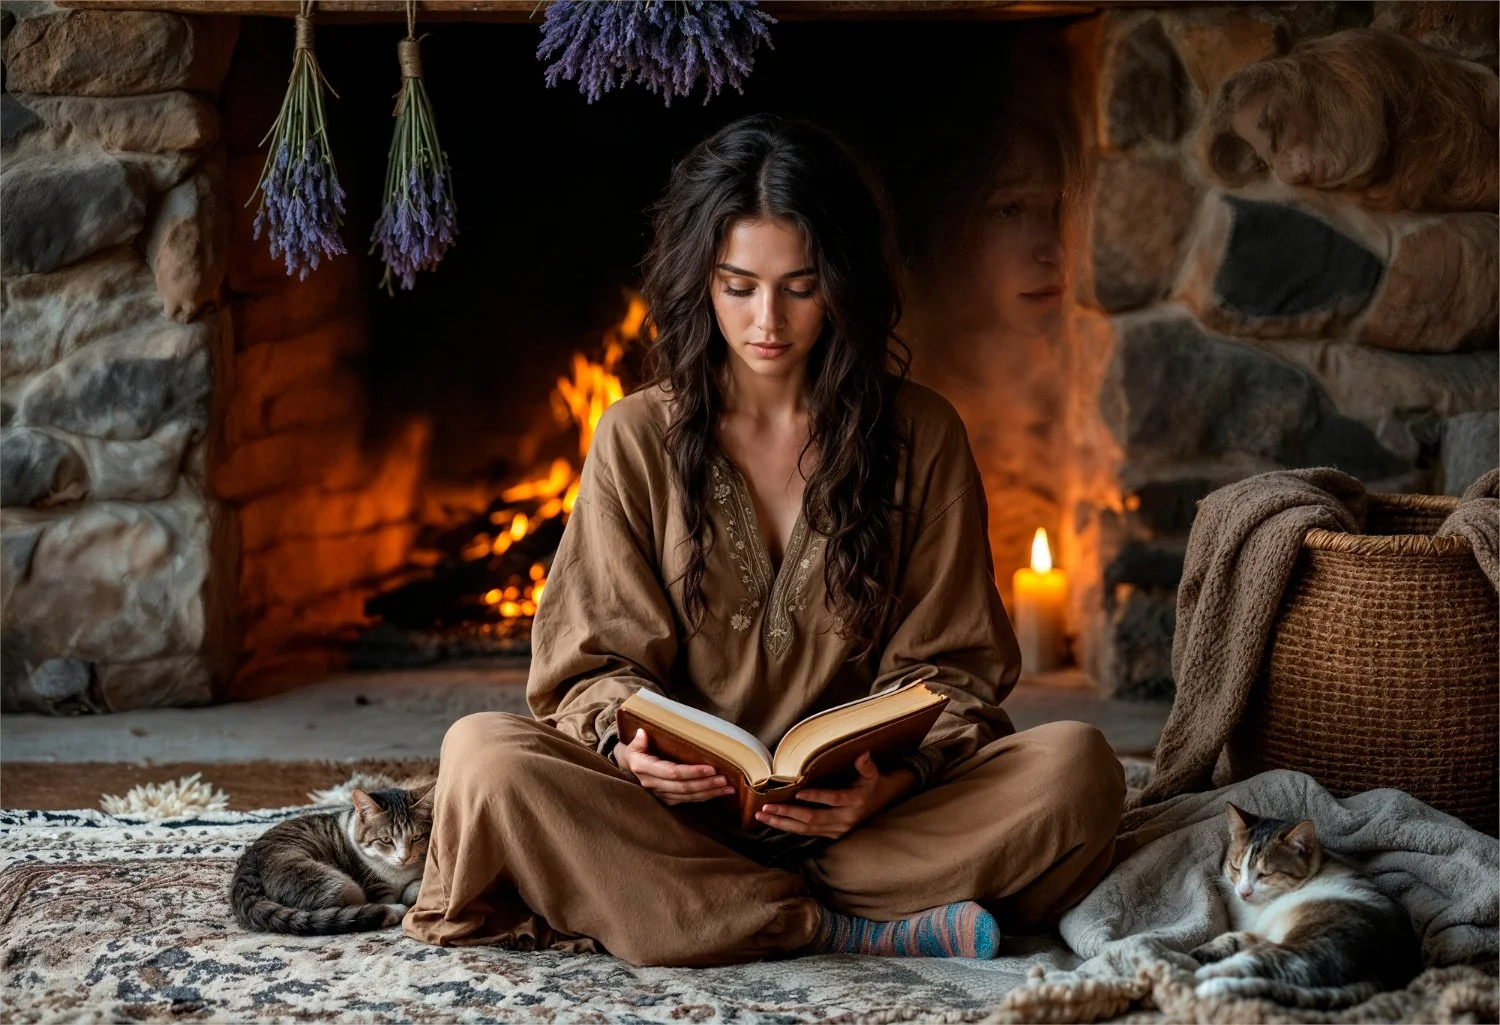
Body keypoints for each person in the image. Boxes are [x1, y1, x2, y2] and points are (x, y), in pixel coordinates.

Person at [404, 114, 1124, 968]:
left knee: (1078, 767)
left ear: (844, 282)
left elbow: (955, 667)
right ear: (699, 281)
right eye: (738, 285)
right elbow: (589, 666)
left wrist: (890, 783)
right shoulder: (637, 435)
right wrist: (631, 755)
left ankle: (702, 912)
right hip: (671, 821)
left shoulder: (923, 433)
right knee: (481, 757)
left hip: (874, 827)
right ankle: (837, 926)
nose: (767, 320)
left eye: (801, 285)